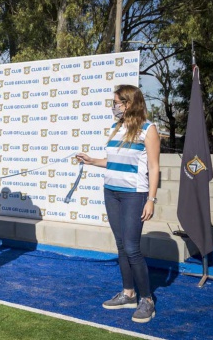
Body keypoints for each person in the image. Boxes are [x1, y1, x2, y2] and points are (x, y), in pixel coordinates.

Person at [76, 84, 160, 324]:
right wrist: (92, 161)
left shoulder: (148, 129)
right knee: (122, 245)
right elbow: (113, 162)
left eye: (118, 103)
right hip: (110, 192)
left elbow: (154, 167)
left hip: (134, 194)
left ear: (130, 103)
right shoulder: (116, 128)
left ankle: (147, 300)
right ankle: (128, 294)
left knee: (132, 248)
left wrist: (151, 199)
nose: (114, 107)